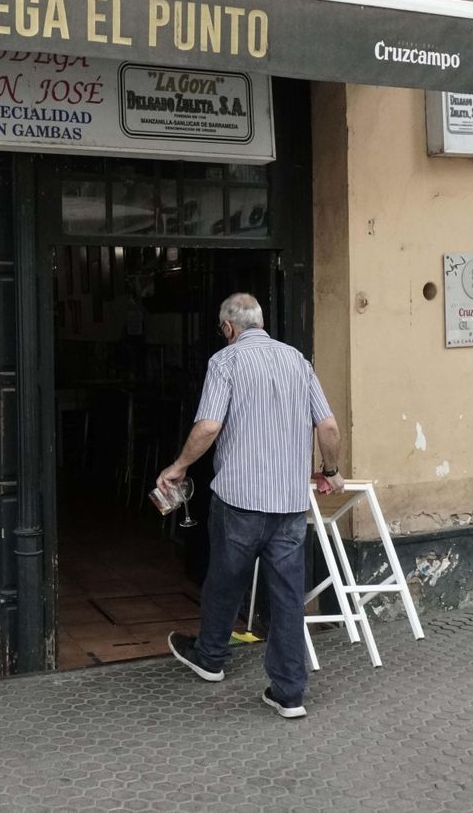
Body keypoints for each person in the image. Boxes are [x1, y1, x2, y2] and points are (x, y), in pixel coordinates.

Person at [157, 292, 342, 719]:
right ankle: (289, 693)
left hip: (240, 501)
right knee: (288, 596)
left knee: (224, 581)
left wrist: (180, 466)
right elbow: (328, 425)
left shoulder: (226, 362)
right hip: (290, 504)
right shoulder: (298, 360)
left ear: (228, 328)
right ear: (260, 322)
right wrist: (330, 470)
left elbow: (208, 426)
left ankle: (210, 658)